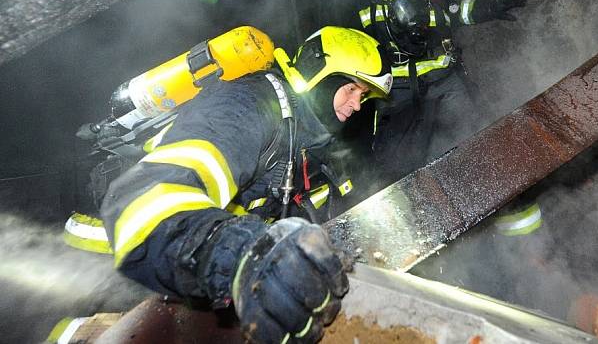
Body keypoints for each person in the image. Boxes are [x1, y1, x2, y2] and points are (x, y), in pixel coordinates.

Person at [99, 26, 392, 344]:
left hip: (176, 282)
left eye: (362, 96)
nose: (357, 105)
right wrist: (238, 257)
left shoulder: (297, 131)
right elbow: (143, 200)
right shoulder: (246, 105)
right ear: (319, 72)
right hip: (118, 275)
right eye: (351, 88)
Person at [321, 0, 526, 183]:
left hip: (445, 83)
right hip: (396, 93)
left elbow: (452, 13)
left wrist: (488, 8)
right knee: (397, 178)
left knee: (482, 153)